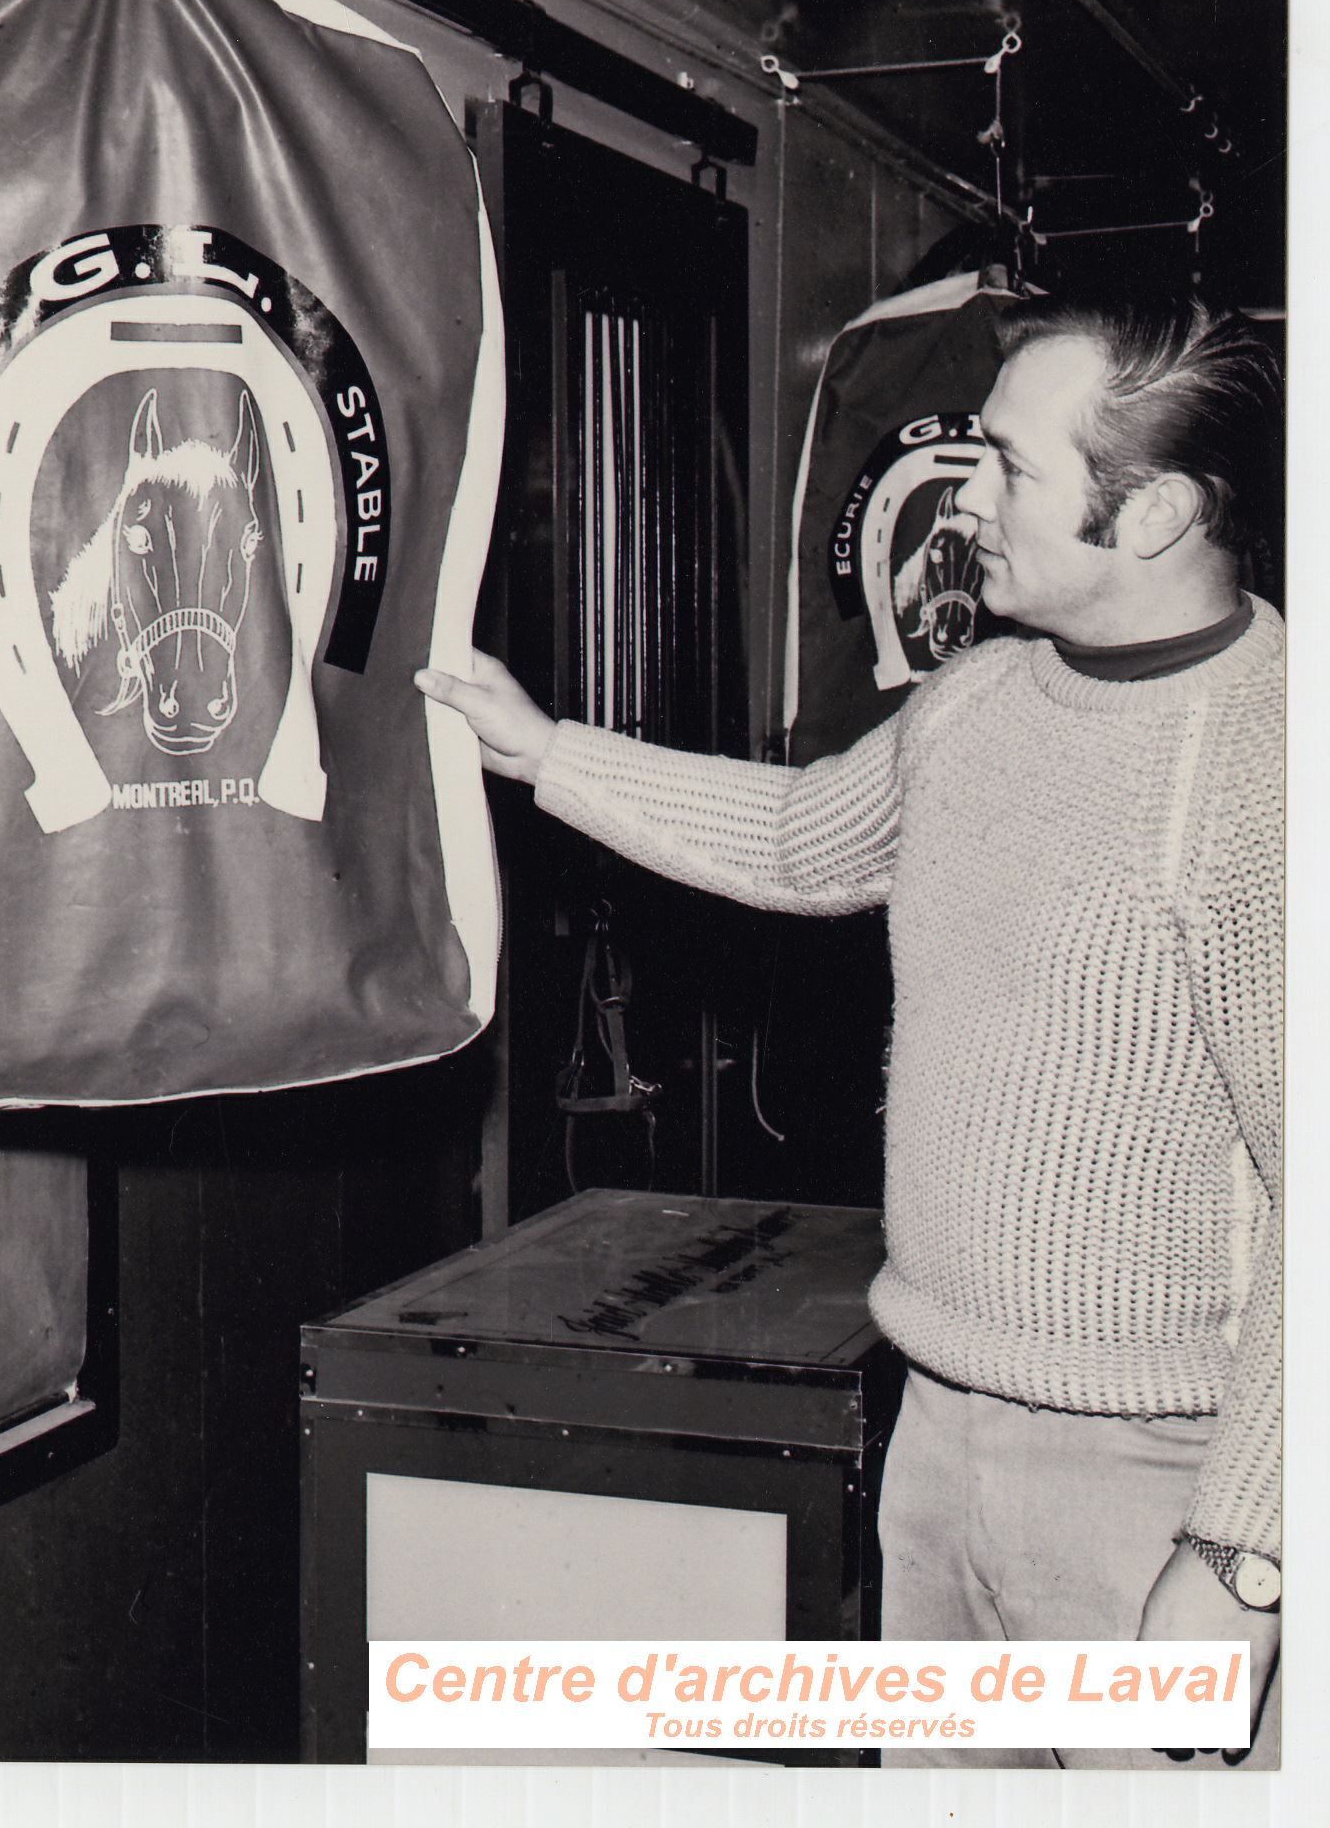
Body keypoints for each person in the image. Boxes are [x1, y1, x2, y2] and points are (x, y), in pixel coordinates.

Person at [417, 295, 1283, 1770]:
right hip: (941, 1436)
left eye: (1010, 467)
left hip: (1160, 1483)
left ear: (1154, 518)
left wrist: (1247, 1559)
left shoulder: (1271, 771)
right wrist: (546, 751)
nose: (963, 502)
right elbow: (808, 840)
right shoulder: (982, 696)